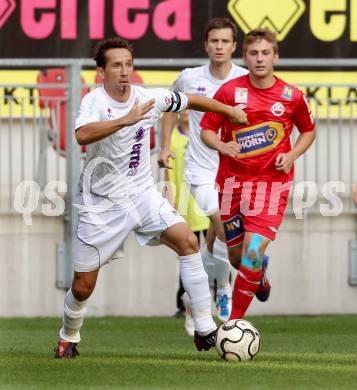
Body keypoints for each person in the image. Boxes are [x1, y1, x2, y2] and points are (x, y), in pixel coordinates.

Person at [53, 37, 248, 358]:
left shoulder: (150, 98)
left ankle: (204, 328)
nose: (125, 71)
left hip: (143, 195)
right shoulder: (94, 101)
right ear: (101, 72)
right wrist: (124, 120)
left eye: (129, 64)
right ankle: (68, 336)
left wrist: (228, 111)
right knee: (82, 286)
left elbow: (191, 100)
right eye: (116, 65)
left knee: (188, 242)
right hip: (101, 205)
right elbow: (81, 135)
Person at [200, 28, 316, 320]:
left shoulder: (291, 96)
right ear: (245, 57)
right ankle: (259, 278)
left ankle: (235, 324)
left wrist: (291, 154)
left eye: (266, 53)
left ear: (276, 56)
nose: (260, 59)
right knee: (238, 257)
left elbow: (309, 131)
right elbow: (206, 130)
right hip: (231, 185)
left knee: (252, 252)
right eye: (254, 53)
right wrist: (223, 146)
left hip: (271, 188)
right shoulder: (229, 92)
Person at [158, 18, 257, 326]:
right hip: (200, 170)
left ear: (234, 47)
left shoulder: (246, 79)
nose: (219, 46)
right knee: (226, 229)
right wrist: (164, 147)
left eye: (225, 41)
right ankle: (224, 287)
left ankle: (192, 298)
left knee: (216, 240)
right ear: (206, 45)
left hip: (235, 171)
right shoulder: (189, 78)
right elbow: (168, 108)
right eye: (214, 41)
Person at [164, 110, 209, 331]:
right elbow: (168, 173)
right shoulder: (172, 137)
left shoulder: (204, 136)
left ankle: (217, 295)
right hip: (184, 207)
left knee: (213, 253)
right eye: (182, 110)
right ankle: (184, 302)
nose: (185, 114)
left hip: (205, 204)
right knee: (189, 255)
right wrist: (170, 198)